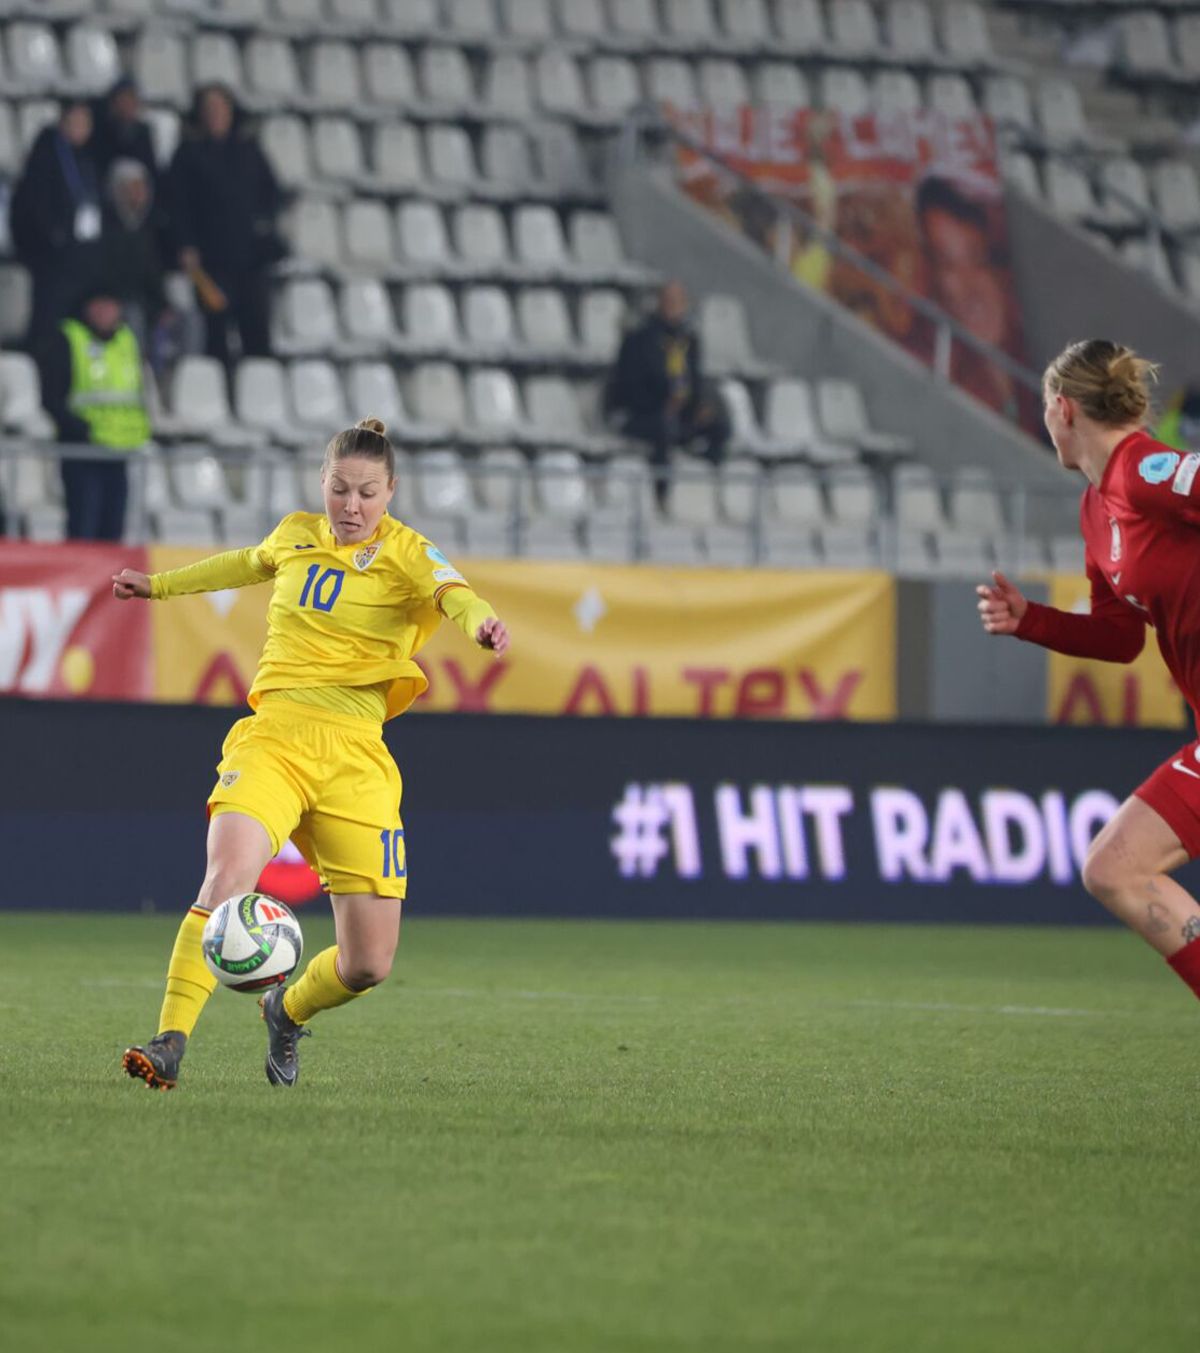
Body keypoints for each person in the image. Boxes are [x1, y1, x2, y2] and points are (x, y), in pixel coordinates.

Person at [114, 417, 510, 1091]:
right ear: (321, 483)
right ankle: (171, 1039)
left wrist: (483, 624)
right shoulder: (296, 533)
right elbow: (242, 562)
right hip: (274, 734)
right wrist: (159, 585)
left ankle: (286, 1008)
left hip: (356, 756)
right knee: (226, 876)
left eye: (366, 493)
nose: (351, 506)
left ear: (390, 492)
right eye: (338, 489)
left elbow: (457, 596)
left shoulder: (410, 552)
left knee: (368, 962)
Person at [977, 339, 1200, 1005]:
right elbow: (1119, 636)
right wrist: (1033, 620)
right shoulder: (1098, 508)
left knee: (1116, 868)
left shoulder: (1146, 471)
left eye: (1046, 407)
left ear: (1063, 409)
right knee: (1115, 870)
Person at [167, 83, 283, 366]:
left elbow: (271, 194)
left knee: (257, 333)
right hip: (210, 262)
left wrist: (263, 227)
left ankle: (259, 394)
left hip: (251, 260)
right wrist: (186, 245)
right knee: (215, 335)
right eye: (209, 109)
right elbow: (176, 205)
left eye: (221, 108)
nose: (215, 114)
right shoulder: (188, 154)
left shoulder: (249, 151)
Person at [40, 282, 151, 541]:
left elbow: (137, 393)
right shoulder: (69, 339)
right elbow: (52, 397)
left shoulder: (126, 340)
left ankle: (108, 584)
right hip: (82, 450)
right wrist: (80, 429)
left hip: (119, 449)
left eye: (111, 305)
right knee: (83, 529)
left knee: (113, 531)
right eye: (99, 306)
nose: (105, 312)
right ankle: (80, 582)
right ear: (87, 309)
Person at [604, 280, 730, 506]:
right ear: (659, 302)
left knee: (720, 425)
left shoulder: (689, 340)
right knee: (663, 427)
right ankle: (662, 494)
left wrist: (698, 404)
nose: (675, 306)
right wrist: (662, 403)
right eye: (670, 300)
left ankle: (705, 480)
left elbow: (694, 380)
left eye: (679, 301)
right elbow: (627, 385)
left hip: (680, 413)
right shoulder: (639, 339)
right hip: (643, 413)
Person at [9, 99, 103, 352]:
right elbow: (33, 205)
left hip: (78, 253)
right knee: (48, 321)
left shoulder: (86, 157)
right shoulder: (46, 153)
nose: (81, 128)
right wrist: (55, 234)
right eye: (76, 121)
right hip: (50, 257)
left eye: (86, 123)